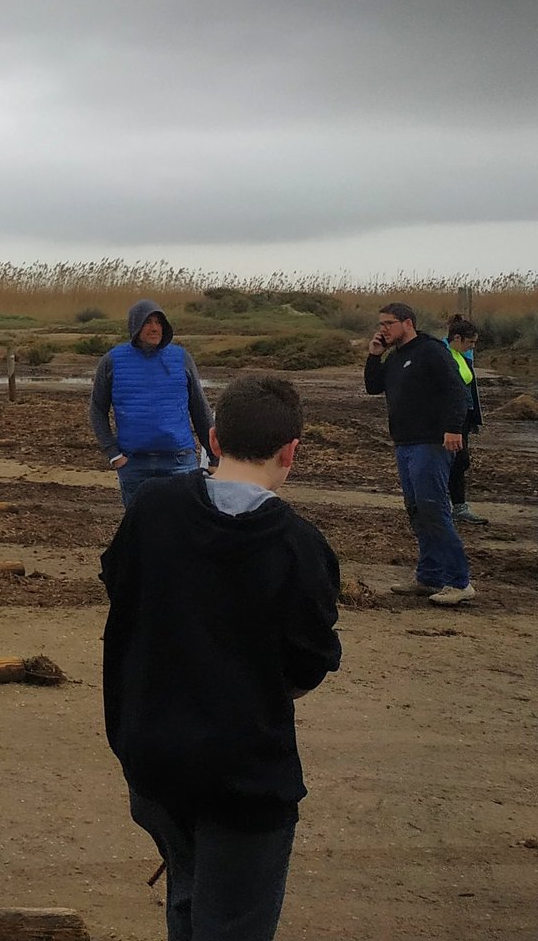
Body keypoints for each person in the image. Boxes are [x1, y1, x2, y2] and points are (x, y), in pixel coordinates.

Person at [100, 372, 341, 941]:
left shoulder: (153, 507)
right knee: (232, 920)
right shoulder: (301, 548)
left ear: (213, 438)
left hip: (152, 756)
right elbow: (306, 669)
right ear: (291, 452)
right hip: (243, 778)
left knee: (190, 893)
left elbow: (121, 589)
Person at [366, 302, 472, 604]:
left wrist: (453, 428)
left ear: (407, 322)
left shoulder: (431, 351)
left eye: (388, 323)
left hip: (431, 443)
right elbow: (374, 386)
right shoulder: (398, 357)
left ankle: (459, 581)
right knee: (417, 511)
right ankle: (430, 576)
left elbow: (456, 391)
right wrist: (375, 355)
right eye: (381, 323)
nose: (383, 329)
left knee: (434, 510)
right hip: (405, 443)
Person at [90, 300, 213, 508]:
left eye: (158, 322)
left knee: (183, 529)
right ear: (135, 326)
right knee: (140, 531)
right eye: (148, 322)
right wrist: (113, 454)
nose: (155, 328)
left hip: (180, 462)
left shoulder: (182, 358)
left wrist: (214, 456)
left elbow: (200, 409)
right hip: (134, 465)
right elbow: (97, 409)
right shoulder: (112, 361)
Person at [445, 316, 487, 525]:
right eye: (470, 342)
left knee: (460, 462)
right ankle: (446, 506)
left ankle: (458, 507)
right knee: (455, 461)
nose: (472, 347)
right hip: (447, 421)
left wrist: (473, 418)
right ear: (458, 338)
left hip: (463, 418)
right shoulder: (442, 355)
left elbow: (469, 388)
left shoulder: (463, 355)